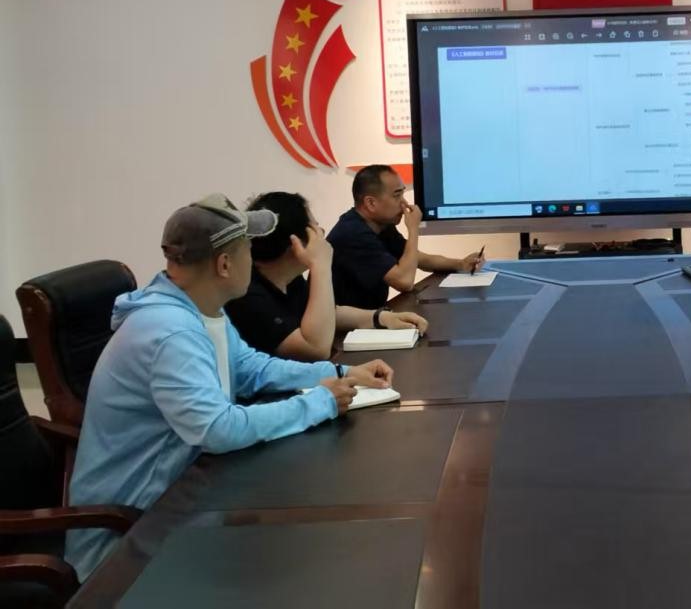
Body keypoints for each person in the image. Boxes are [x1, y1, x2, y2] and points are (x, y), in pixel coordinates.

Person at [65, 194, 394, 581]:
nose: (254, 260)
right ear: (224, 264)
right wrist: (320, 402)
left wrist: (338, 372)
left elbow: (251, 368)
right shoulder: (170, 332)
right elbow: (218, 429)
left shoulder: (201, 309)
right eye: (247, 251)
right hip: (131, 540)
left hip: (187, 496)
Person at [226, 191, 428, 359]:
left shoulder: (288, 278)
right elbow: (315, 349)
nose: (321, 232)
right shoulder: (248, 295)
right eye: (315, 227)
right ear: (296, 242)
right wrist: (320, 264)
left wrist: (382, 318)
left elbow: (328, 313)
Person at [327, 165, 484, 309]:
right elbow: (404, 281)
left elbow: (418, 258)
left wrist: (461, 263)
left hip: (371, 318)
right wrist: (413, 229)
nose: (404, 203)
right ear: (371, 203)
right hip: (345, 327)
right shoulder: (352, 233)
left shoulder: (381, 225)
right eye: (397, 196)